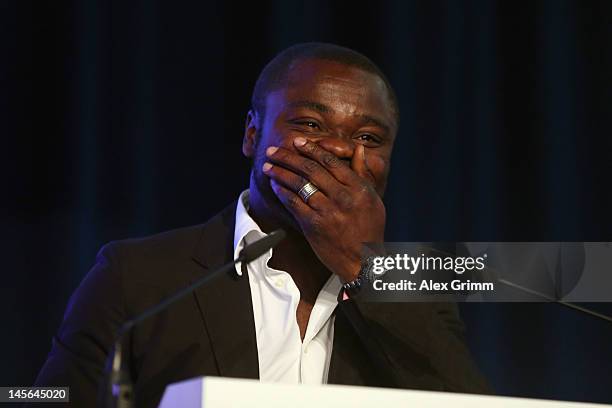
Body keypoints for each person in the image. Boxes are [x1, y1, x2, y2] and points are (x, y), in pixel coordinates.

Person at [34, 42, 490, 407]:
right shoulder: (139, 277)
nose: (337, 151)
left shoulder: (417, 290)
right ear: (253, 134)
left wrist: (363, 266)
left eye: (368, 138)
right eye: (311, 124)